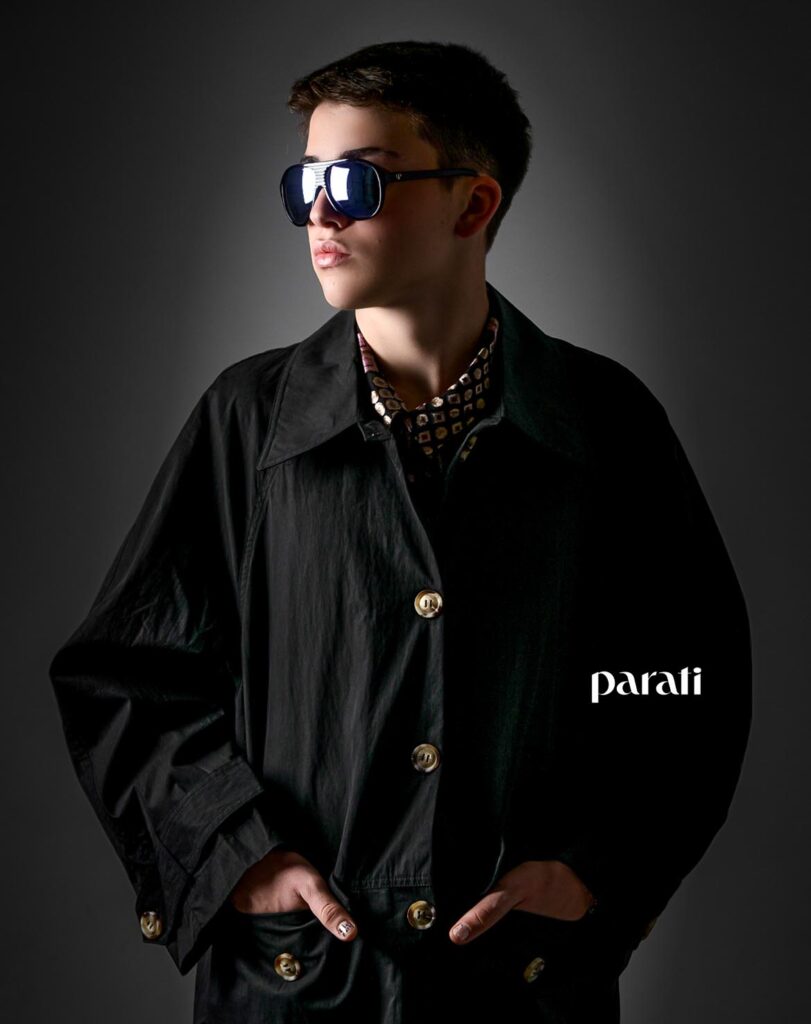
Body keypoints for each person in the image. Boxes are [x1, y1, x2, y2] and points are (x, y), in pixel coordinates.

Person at [49, 40, 752, 1024]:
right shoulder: (248, 421)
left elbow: (681, 676)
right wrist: (234, 852)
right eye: (305, 183)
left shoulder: (605, 421)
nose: (320, 215)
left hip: (521, 987)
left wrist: (595, 868)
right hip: (296, 985)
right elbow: (129, 674)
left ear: (473, 205)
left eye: (356, 182)